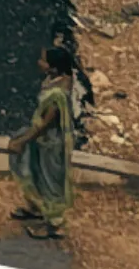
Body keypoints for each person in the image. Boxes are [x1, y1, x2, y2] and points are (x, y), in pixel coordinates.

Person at [14, 36, 92, 239]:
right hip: (42, 142)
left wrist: (23, 140)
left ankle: (53, 224)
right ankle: (36, 208)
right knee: (35, 174)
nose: (39, 63)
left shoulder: (58, 94)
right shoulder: (55, 80)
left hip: (51, 144)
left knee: (50, 182)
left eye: (43, 61)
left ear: (54, 68)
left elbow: (45, 124)